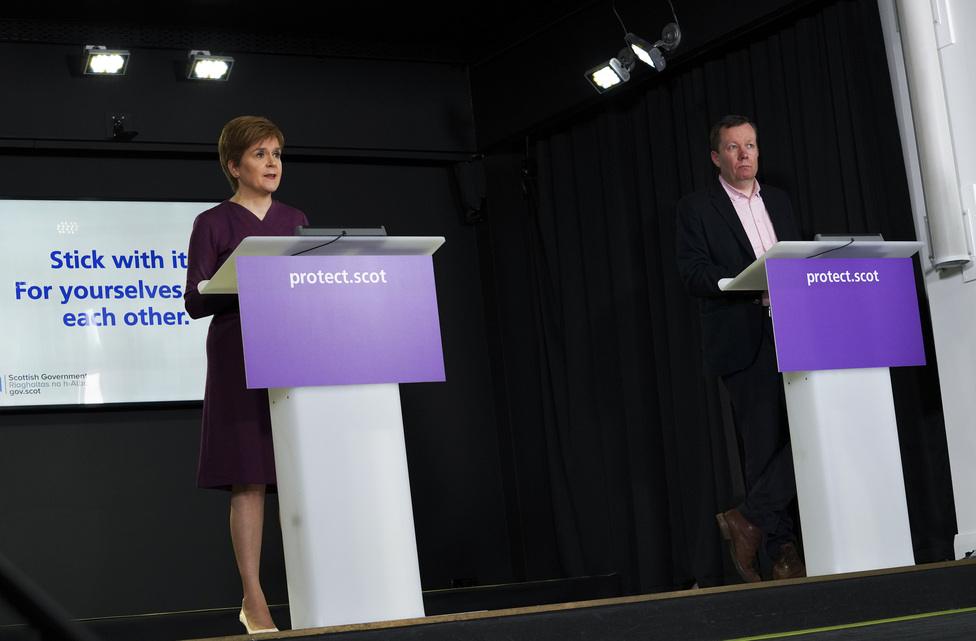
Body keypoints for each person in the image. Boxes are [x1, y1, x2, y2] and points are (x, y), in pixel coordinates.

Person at [184, 115, 308, 633]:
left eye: (277, 152)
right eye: (260, 154)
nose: (272, 162)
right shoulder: (213, 222)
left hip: (295, 351)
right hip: (238, 354)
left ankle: (312, 587)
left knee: (301, 477)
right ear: (233, 166)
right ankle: (253, 598)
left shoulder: (297, 218)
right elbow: (195, 299)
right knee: (250, 478)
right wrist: (245, 278)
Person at [674, 114, 806, 582]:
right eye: (733, 147)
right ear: (717, 157)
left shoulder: (782, 201)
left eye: (750, 145)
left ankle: (748, 517)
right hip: (746, 336)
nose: (745, 154)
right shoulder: (698, 208)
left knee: (811, 433)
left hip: (801, 330)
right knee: (764, 449)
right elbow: (691, 273)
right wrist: (736, 283)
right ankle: (782, 554)